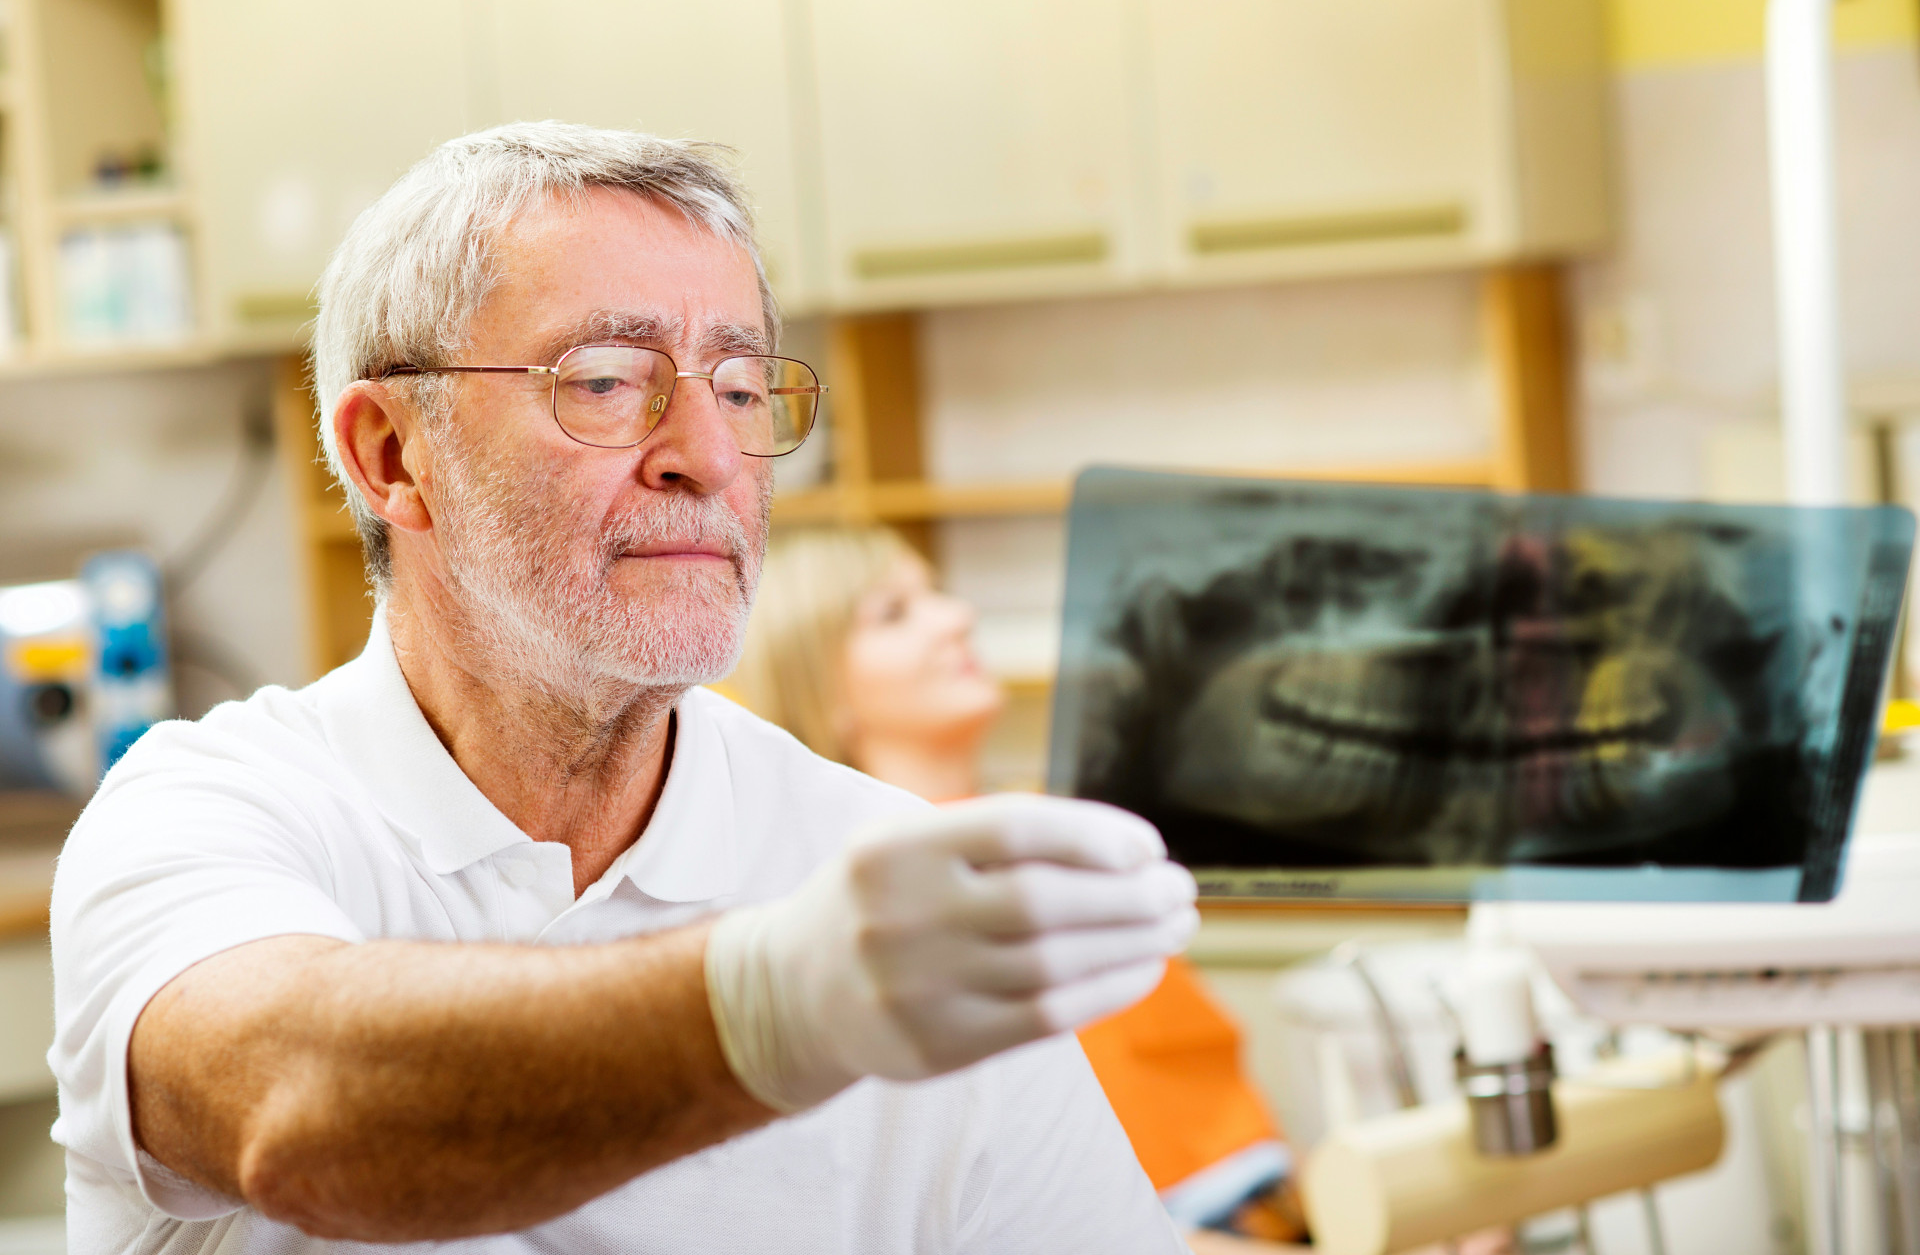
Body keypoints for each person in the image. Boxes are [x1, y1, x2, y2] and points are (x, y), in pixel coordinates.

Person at [46, 123, 1201, 1255]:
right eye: (604, 380)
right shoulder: (209, 813)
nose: (709, 455)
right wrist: (778, 1006)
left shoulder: (882, 877)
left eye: (741, 390)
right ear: (394, 455)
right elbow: (298, 1115)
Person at [730, 527, 1306, 1249]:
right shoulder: (867, 912)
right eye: (894, 613)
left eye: (937, 594)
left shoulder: (1063, 826)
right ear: (820, 688)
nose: (957, 616)